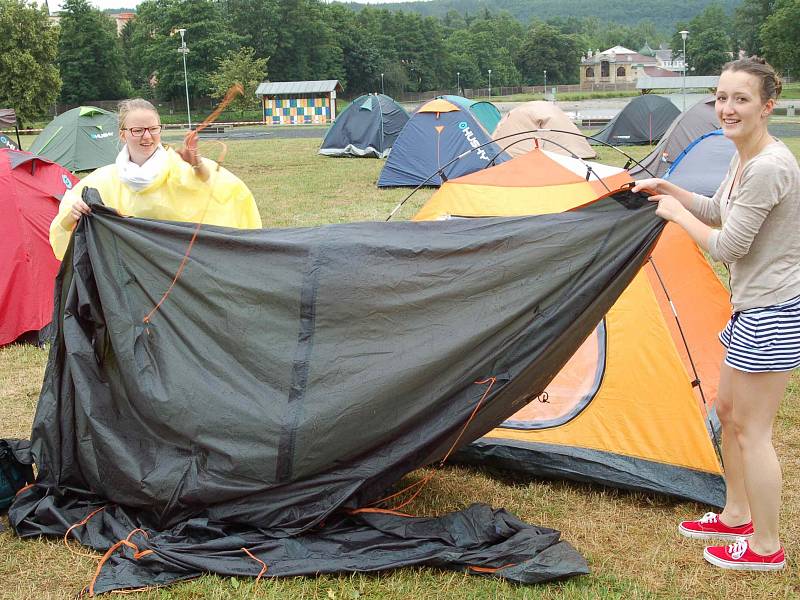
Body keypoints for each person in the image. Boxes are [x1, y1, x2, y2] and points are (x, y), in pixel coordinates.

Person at [633, 57, 800, 571]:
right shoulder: (743, 155)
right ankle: (735, 515)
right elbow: (718, 211)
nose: (726, 108)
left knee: (752, 431)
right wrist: (671, 191)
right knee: (728, 415)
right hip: (750, 308)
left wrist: (676, 217)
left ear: (767, 105)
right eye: (721, 97)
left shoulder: (770, 166)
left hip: (772, 310)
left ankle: (766, 548)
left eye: (740, 99)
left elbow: (728, 245)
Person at [49, 98, 262, 260]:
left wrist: (197, 164)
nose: (147, 137)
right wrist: (72, 214)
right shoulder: (105, 180)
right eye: (138, 130)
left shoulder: (179, 167)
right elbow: (64, 223)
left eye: (153, 129)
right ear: (122, 134)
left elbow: (224, 190)